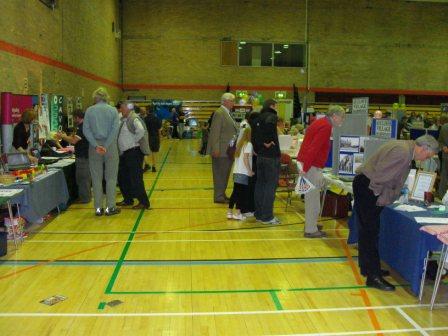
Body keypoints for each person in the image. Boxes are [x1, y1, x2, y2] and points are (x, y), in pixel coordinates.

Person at [353, 135, 439, 291]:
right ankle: (373, 276)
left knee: (369, 230)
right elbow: (379, 178)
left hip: (368, 185)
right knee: (370, 231)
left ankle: (369, 268)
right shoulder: (403, 152)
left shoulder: (405, 148)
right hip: (370, 187)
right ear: (423, 148)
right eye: (428, 155)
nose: (426, 159)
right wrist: (381, 199)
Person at [297, 105, 345, 238]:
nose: (342, 120)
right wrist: (305, 169)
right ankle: (311, 230)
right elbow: (314, 148)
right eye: (342, 117)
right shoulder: (326, 126)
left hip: (308, 164)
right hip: (311, 166)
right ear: (334, 116)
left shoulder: (320, 122)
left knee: (312, 197)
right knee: (312, 198)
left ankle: (311, 224)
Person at [83, 87, 120, 216]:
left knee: (96, 178)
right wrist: (106, 145)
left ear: (95, 98)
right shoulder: (113, 110)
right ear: (106, 97)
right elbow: (115, 130)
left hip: (94, 147)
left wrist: (96, 145)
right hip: (110, 147)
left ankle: (98, 208)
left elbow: (86, 130)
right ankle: (111, 207)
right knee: (111, 177)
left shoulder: (89, 111)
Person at [116, 102, 150, 210]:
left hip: (133, 153)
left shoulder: (134, 118)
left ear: (127, 108)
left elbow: (141, 130)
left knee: (136, 178)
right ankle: (128, 199)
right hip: (125, 154)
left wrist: (134, 141)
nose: (120, 110)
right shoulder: (123, 119)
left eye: (121, 108)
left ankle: (144, 202)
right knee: (123, 178)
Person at [253, 99, 281, 224]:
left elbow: (253, 135)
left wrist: (260, 145)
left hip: (260, 156)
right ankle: (267, 216)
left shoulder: (257, 117)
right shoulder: (272, 116)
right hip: (271, 156)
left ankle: (259, 214)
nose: (277, 108)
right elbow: (270, 129)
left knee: (260, 185)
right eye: (277, 106)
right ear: (272, 106)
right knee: (270, 185)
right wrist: (269, 141)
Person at [207, 93, 238, 203]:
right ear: (225, 101)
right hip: (221, 151)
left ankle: (222, 194)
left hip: (228, 151)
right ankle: (218, 196)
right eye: (232, 100)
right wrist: (215, 149)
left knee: (224, 174)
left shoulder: (228, 113)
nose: (233, 103)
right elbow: (215, 132)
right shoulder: (219, 113)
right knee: (220, 174)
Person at [58, 109, 91, 203]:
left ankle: (85, 199)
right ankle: (86, 197)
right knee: (84, 179)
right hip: (84, 156)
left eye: (74, 118)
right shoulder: (84, 126)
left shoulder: (82, 127)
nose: (73, 120)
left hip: (83, 157)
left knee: (82, 178)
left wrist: (63, 136)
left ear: (77, 117)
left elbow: (73, 141)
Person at [227, 127, 254, 220]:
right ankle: (238, 213)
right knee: (241, 194)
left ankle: (229, 212)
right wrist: (250, 171)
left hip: (236, 171)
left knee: (235, 193)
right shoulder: (249, 144)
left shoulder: (240, 144)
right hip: (243, 172)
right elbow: (246, 158)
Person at [144, 105, 162, 172]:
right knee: (154, 152)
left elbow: (144, 130)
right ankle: (154, 167)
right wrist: (160, 139)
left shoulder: (145, 119)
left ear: (147, 111)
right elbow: (159, 130)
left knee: (145, 153)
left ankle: (146, 164)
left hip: (147, 138)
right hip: (155, 138)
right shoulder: (157, 119)